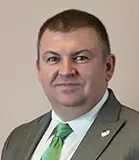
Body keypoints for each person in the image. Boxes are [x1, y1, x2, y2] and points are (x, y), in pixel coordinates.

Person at [1, 9, 139, 160]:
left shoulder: (134, 138)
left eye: (80, 58)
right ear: (39, 69)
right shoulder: (17, 140)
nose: (66, 71)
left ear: (108, 67)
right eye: (53, 59)